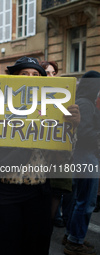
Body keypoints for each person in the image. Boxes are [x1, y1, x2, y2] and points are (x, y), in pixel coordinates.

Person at [0, 56, 80, 255]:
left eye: (35, 75)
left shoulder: (52, 112)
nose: (30, 79)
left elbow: (63, 160)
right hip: (3, 194)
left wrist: (70, 130)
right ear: (13, 80)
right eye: (24, 74)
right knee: (2, 248)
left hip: (39, 195)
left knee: (36, 249)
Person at [63, 70, 100, 255]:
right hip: (85, 156)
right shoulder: (86, 103)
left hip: (81, 156)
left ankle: (72, 235)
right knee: (86, 201)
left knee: (79, 199)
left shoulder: (84, 101)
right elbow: (84, 133)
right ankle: (75, 241)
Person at [40, 60, 74, 229]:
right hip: (38, 161)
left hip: (57, 157)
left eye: (54, 73)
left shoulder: (63, 96)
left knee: (55, 194)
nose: (52, 76)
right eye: (47, 72)